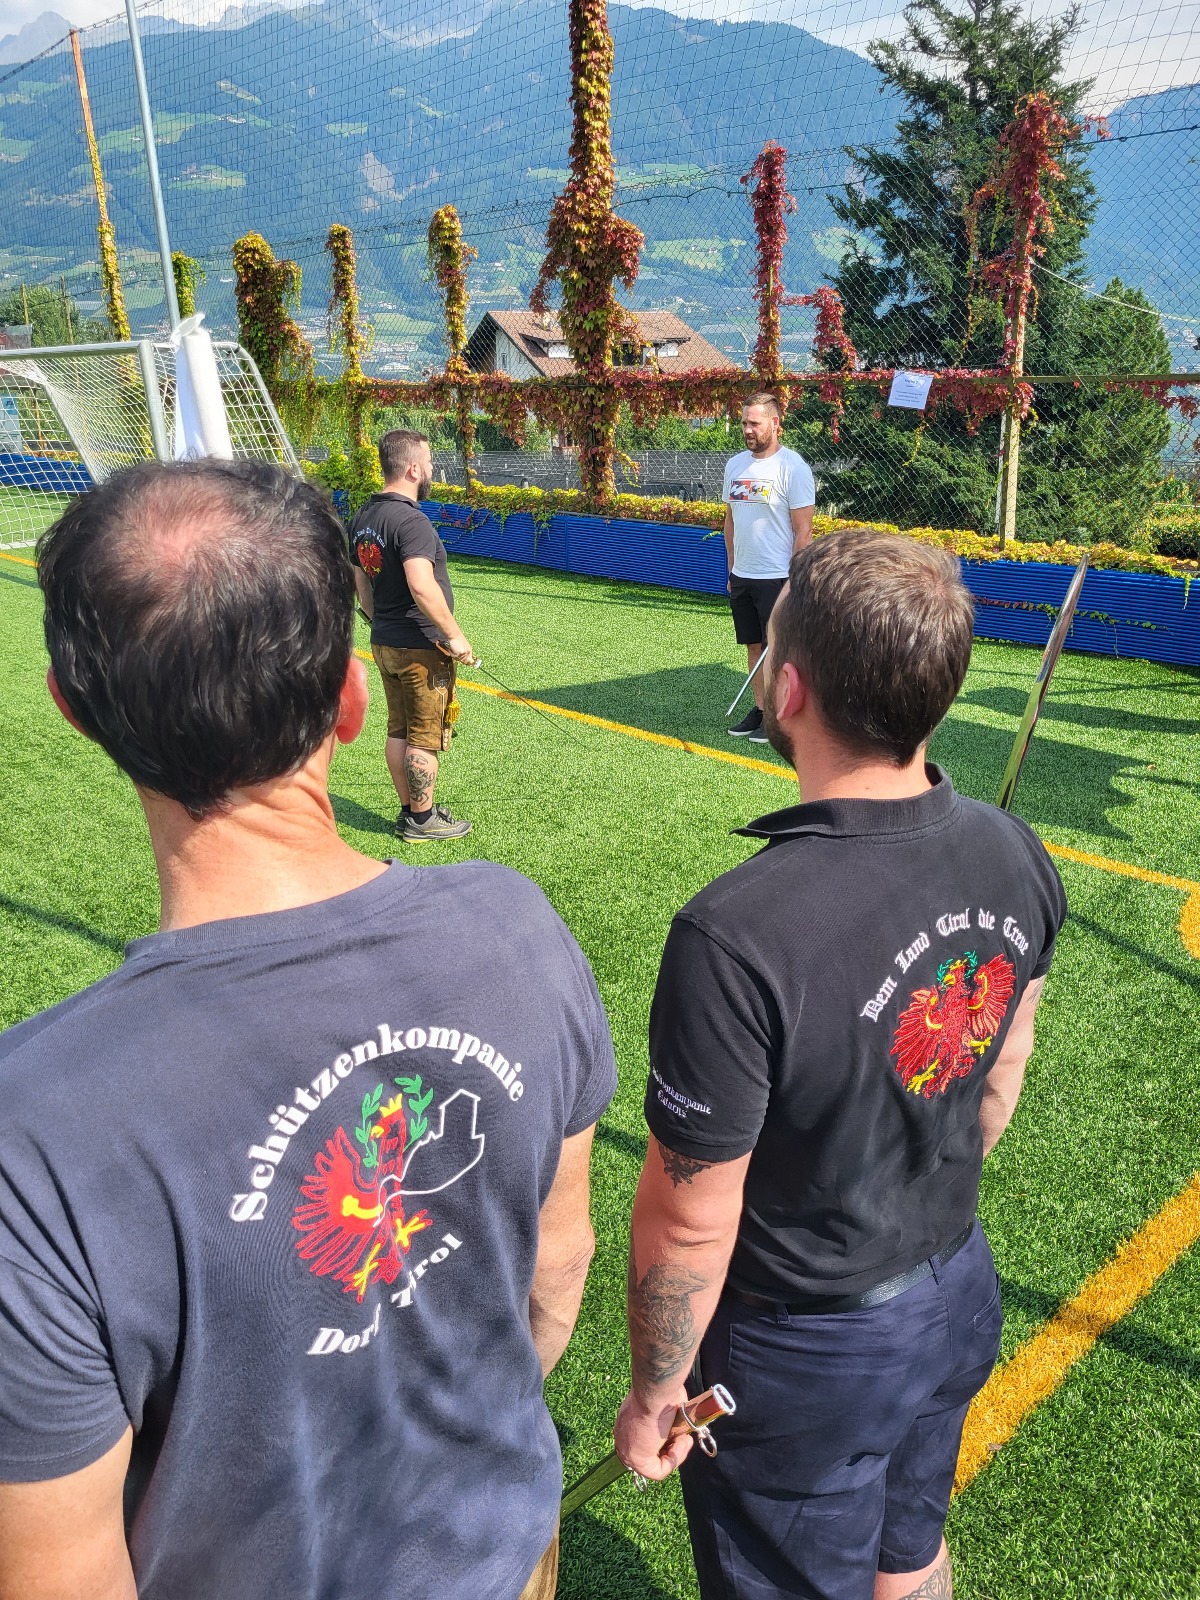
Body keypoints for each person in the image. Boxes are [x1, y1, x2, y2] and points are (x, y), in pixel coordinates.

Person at [0, 459, 617, 1600]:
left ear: (74, 709)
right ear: (349, 696)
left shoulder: (31, 1131)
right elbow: (560, 1265)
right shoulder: (516, 927)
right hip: (501, 1549)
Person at [615, 529, 1066, 1599]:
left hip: (808, 1355)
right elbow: (1000, 1074)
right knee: (911, 1552)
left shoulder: (735, 934)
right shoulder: (1015, 849)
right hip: (956, 1288)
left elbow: (690, 1220)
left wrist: (655, 1389)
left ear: (790, 690)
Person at [348, 428, 475, 841]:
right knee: (423, 736)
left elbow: (361, 586)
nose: (432, 468)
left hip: (384, 641)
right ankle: (422, 820)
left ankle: (410, 811)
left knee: (398, 730)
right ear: (413, 469)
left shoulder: (363, 517)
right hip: (421, 647)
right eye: (430, 461)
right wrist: (454, 636)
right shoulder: (412, 520)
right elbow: (421, 585)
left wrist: (380, 621)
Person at [722, 392, 815, 743]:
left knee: (778, 651)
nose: (747, 429)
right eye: (744, 422)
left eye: (754, 423)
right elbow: (730, 520)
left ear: (775, 424)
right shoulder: (734, 466)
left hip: (777, 577)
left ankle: (780, 721)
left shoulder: (793, 468)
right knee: (753, 646)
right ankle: (761, 711)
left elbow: (803, 531)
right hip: (743, 575)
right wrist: (732, 568)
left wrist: (794, 582)